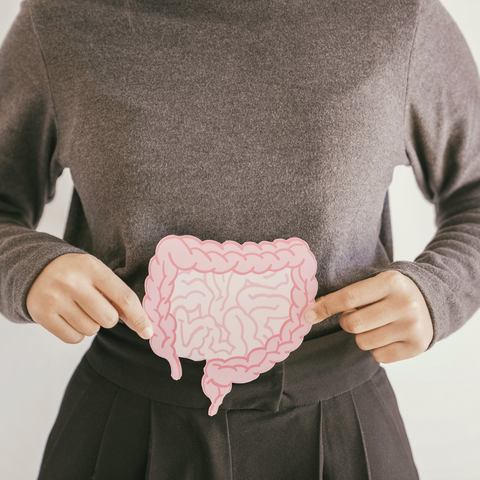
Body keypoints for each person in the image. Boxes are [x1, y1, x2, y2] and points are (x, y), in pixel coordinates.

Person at [1, 0, 479, 478]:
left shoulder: (400, 18)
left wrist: (440, 289)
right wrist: (26, 266)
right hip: (127, 425)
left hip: (343, 426)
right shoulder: (61, 19)